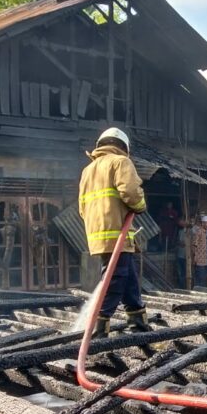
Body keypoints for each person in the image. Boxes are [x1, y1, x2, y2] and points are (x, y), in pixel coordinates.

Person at [78, 127, 149, 336]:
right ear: (123, 147)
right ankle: (98, 326)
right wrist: (140, 206)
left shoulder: (88, 170)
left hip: (97, 234)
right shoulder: (120, 162)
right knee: (115, 278)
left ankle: (137, 321)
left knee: (128, 277)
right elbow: (131, 193)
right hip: (116, 232)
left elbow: (82, 208)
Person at [192, 215, 207, 287]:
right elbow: (194, 245)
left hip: (204, 260)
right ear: (203, 223)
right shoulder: (199, 232)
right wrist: (195, 258)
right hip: (199, 261)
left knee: (203, 279)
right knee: (200, 280)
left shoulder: (205, 232)